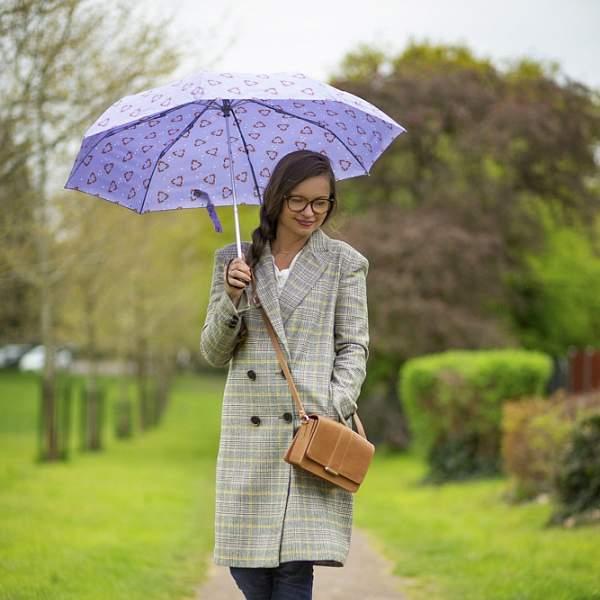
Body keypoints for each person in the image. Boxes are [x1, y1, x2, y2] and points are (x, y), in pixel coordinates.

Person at [200, 149, 369, 600]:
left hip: (310, 431)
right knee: (247, 569)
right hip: (249, 438)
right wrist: (231, 298)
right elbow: (213, 353)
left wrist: (335, 405)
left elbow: (353, 345)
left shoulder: (344, 262)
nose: (310, 212)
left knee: (295, 570)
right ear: (276, 198)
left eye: (322, 202)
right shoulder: (234, 261)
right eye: (298, 201)